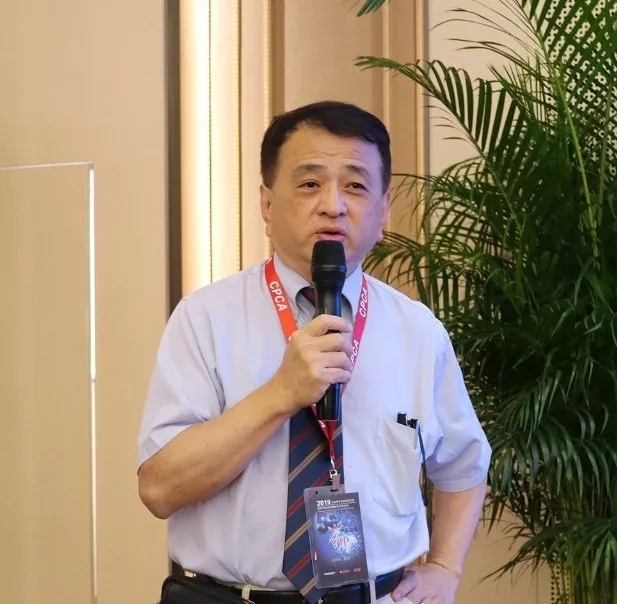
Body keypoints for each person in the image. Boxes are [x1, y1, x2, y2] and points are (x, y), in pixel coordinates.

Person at [137, 100, 492, 604]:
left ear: (383, 211)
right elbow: (159, 489)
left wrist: (445, 568)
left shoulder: (418, 332)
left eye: (356, 186)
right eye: (310, 183)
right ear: (266, 203)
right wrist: (281, 394)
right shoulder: (205, 319)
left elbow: (463, 465)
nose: (333, 205)